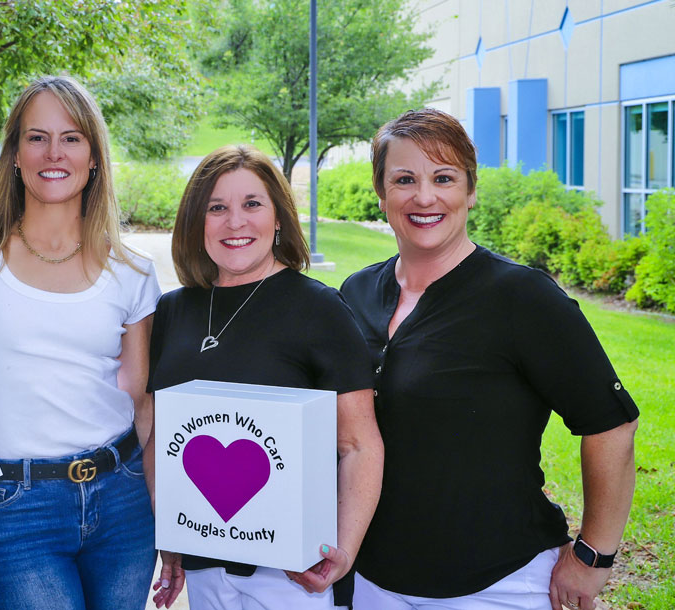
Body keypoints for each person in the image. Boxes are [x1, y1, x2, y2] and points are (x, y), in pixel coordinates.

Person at [341, 108, 639, 610]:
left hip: (498, 583)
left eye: (444, 178)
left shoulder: (522, 297)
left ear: (470, 191)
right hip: (372, 580)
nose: (425, 196)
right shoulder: (356, 293)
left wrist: (593, 555)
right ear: (381, 192)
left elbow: (611, 426)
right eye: (404, 179)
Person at [0, 75, 160, 610]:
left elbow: (143, 401)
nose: (53, 153)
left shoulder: (132, 272)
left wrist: (170, 519)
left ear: (93, 157)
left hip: (123, 499)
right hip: (18, 505)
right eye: (36, 137)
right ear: (14, 153)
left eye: (71, 138)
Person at [147, 145, 385, 610]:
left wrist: (344, 550)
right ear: (197, 223)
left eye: (252, 204)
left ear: (278, 218)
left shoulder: (319, 309)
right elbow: (163, 434)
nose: (235, 222)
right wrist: (170, 536)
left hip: (294, 576)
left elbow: (359, 444)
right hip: (206, 563)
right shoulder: (175, 310)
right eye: (217, 208)